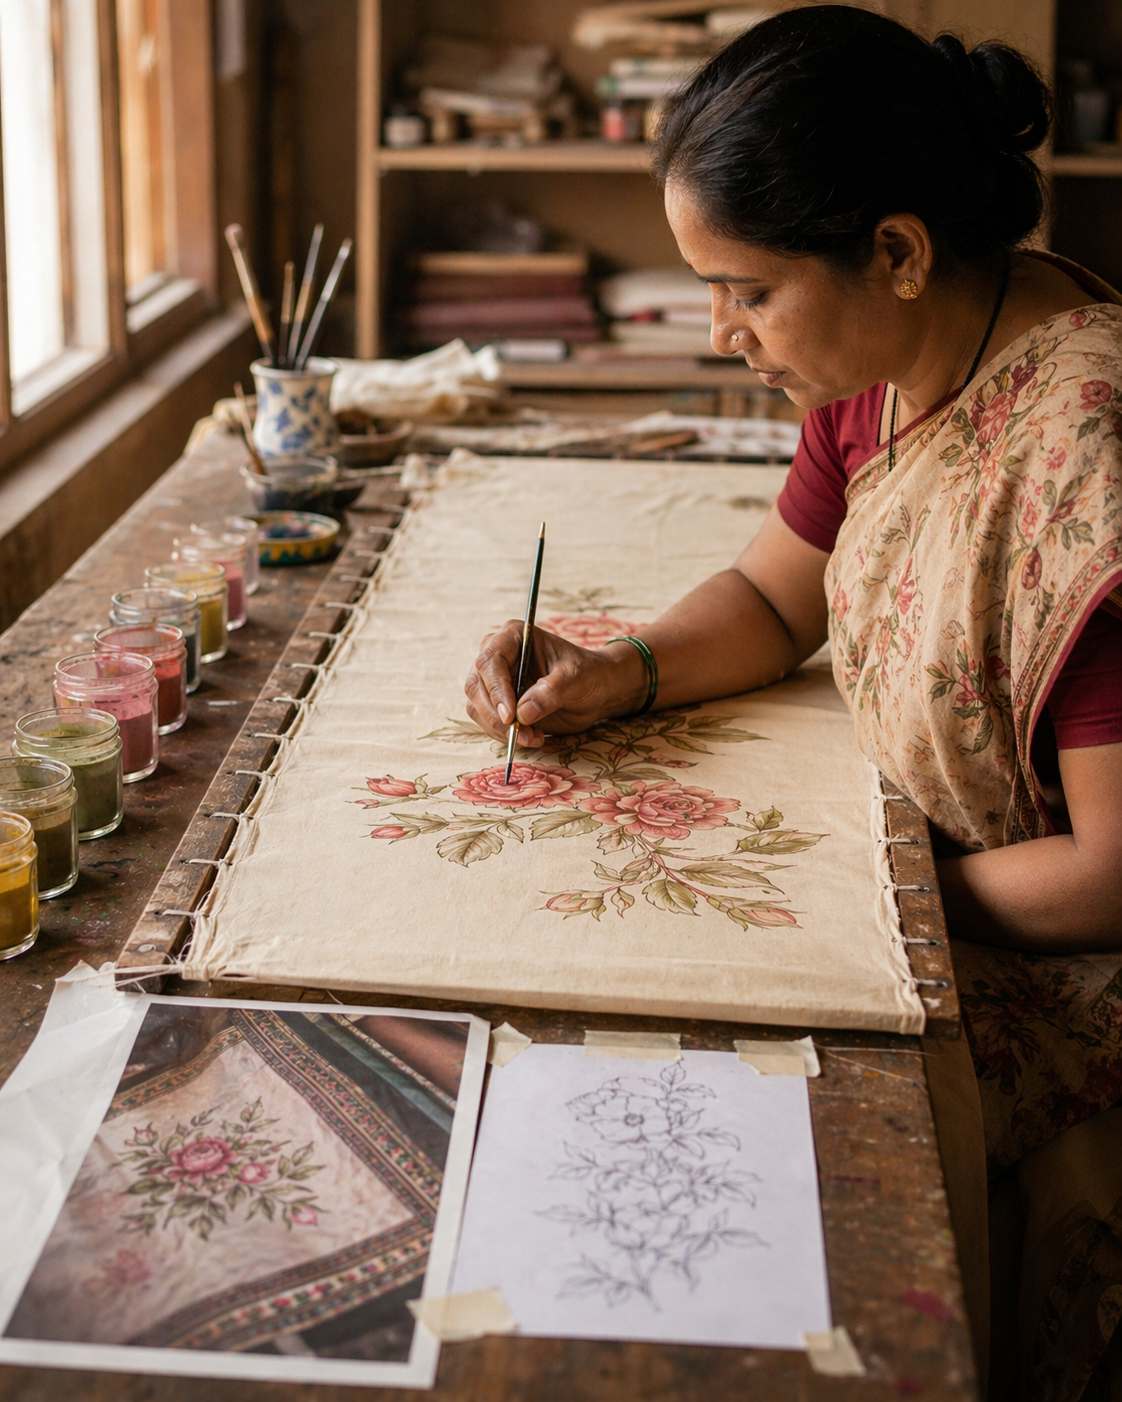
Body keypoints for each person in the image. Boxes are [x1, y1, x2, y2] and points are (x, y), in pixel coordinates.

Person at [464, 7, 1122, 1399]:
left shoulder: (1085, 466)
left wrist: (881, 897)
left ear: (895, 250)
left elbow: (1112, 871)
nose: (724, 335)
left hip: (1058, 962)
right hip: (931, 882)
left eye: (747, 292)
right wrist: (619, 669)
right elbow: (776, 600)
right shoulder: (890, 366)